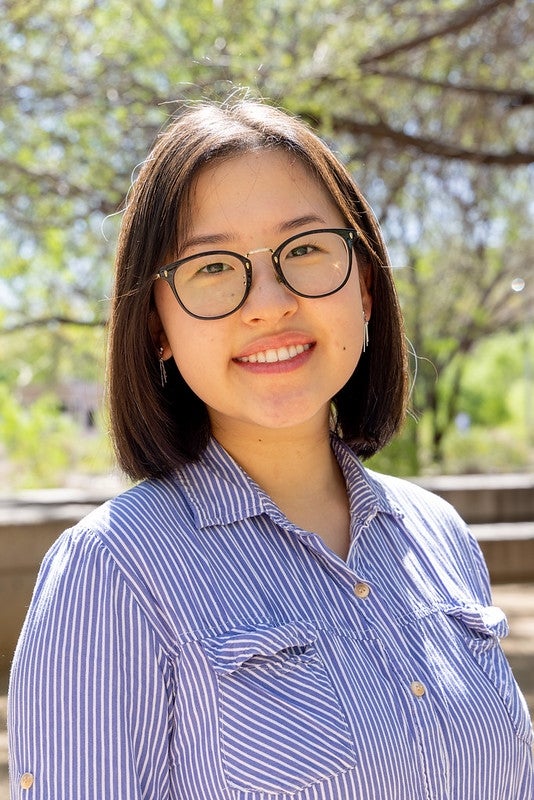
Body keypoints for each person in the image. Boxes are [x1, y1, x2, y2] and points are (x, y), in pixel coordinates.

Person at [8, 98, 533, 800]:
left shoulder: (440, 536)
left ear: (366, 286)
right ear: (157, 329)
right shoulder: (111, 574)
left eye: (306, 249)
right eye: (212, 268)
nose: (269, 302)